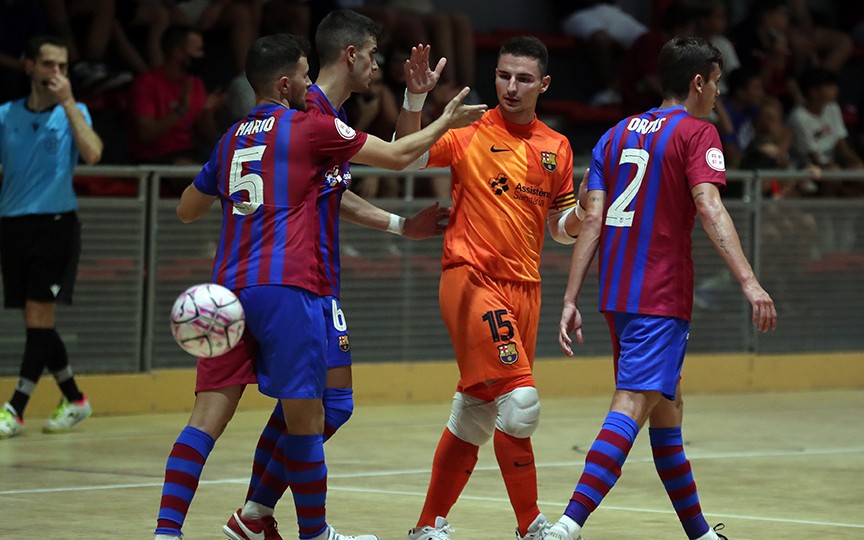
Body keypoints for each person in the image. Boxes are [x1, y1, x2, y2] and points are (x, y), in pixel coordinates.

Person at [154, 22, 484, 540]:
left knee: (205, 420)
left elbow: (186, 211)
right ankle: (310, 532)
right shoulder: (311, 126)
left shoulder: (231, 137)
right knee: (308, 420)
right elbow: (399, 157)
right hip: (291, 286)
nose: (309, 86)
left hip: (226, 293)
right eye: (303, 77)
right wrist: (442, 118)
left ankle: (167, 532)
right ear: (285, 84)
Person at [544, 35, 777, 540]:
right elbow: (710, 206)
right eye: (716, 81)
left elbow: (591, 219)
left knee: (667, 410)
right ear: (697, 82)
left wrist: (570, 298)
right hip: (661, 296)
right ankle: (567, 525)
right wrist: (750, 281)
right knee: (631, 403)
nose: (718, 92)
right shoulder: (698, 133)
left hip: (618, 296)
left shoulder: (615, 133)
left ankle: (700, 533)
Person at [402, 36, 586, 540]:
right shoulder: (468, 131)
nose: (510, 85)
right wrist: (415, 102)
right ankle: (532, 526)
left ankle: (426, 526)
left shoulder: (557, 147)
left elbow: (558, 225)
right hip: (470, 278)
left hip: (526, 288)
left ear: (543, 84)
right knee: (521, 403)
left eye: (523, 78)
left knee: (478, 413)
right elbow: (408, 158)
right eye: (504, 74)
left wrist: (582, 218)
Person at [0, 35, 102, 439]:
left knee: (40, 316)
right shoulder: (6, 114)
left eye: (62, 66)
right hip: (12, 225)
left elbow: (93, 153)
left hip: (55, 225)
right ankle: (75, 399)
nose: (55, 73)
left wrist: (68, 104)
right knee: (35, 321)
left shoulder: (74, 112)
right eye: (48, 65)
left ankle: (15, 408)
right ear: (30, 67)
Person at [128, 25, 223, 167]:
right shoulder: (146, 84)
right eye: (198, 50)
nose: (202, 55)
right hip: (156, 157)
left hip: (191, 152)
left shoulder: (194, 82)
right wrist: (181, 110)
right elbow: (146, 133)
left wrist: (207, 112)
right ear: (177, 52)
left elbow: (209, 135)